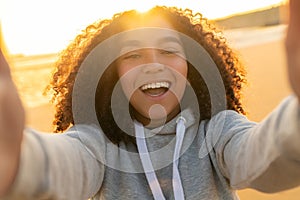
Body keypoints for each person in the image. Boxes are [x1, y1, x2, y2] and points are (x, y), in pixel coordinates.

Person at [0, 1, 299, 199]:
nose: (153, 64)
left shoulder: (218, 132)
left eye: (169, 51)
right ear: (111, 74)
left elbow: (264, 155)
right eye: (132, 55)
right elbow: (62, 165)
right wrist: (19, 159)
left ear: (191, 66)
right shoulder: (98, 146)